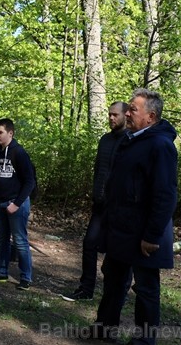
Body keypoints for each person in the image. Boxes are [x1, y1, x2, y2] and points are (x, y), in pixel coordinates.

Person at [90, 89, 178, 345]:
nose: (127, 114)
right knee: (113, 279)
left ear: (150, 116)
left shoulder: (160, 145)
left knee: (146, 289)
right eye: (127, 109)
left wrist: (151, 235)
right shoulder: (131, 139)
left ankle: (143, 341)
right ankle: (104, 330)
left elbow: (165, 194)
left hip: (144, 232)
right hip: (121, 228)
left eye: (132, 110)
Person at [62, 101, 128, 302]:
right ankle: (86, 288)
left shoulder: (130, 141)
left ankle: (119, 293)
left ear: (126, 115)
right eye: (109, 114)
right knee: (89, 244)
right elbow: (99, 169)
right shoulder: (105, 140)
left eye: (115, 114)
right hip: (100, 205)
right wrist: (96, 193)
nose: (111, 118)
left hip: (119, 207)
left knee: (118, 251)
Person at [0, 118, 35, 290]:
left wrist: (17, 204)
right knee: (2, 240)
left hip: (16, 204)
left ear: (10, 133)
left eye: (0, 132)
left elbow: (29, 182)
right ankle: (1, 271)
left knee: (20, 241)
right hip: (0, 203)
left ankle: (26, 278)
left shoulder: (19, 153)